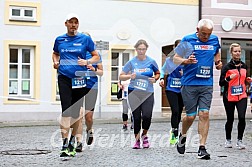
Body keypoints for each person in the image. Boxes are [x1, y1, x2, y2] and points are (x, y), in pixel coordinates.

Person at [173, 19, 223, 160]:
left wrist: (218, 63)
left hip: (206, 83)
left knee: (204, 114)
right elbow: (175, 59)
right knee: (190, 116)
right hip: (189, 83)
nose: (206, 37)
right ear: (197, 30)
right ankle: (182, 135)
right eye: (203, 34)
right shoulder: (187, 39)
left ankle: (202, 147)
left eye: (208, 34)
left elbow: (216, 53)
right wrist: (186, 61)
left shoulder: (214, 40)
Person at [52, 13, 100, 158]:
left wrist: (87, 62)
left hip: (80, 79)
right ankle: (65, 143)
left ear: (78, 25)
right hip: (64, 78)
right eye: (71, 22)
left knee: (75, 114)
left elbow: (96, 56)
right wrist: (55, 62)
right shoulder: (59, 39)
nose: (73, 25)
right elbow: (55, 53)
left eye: (76, 22)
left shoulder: (85, 39)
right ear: (65, 23)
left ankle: (73, 140)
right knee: (66, 111)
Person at [119, 39, 160, 149]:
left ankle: (144, 135)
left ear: (146, 49)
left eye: (143, 49)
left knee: (147, 116)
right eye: (139, 49)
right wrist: (129, 76)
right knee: (136, 117)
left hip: (147, 92)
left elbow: (158, 73)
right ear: (136, 49)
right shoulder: (132, 62)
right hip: (134, 92)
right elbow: (121, 76)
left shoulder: (151, 61)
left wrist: (155, 79)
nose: (141, 51)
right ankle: (137, 140)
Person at [74, 32, 103, 152]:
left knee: (88, 117)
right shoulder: (75, 53)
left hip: (92, 87)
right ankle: (79, 142)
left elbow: (101, 72)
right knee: (79, 116)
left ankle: (89, 130)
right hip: (78, 86)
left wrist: (94, 69)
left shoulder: (95, 55)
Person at [219, 43, 252, 149]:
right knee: (230, 119)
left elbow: (245, 80)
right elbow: (221, 83)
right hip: (229, 96)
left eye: (239, 51)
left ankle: (240, 140)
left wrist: (247, 81)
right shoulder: (226, 67)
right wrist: (229, 78)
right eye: (235, 51)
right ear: (231, 53)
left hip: (241, 95)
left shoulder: (244, 66)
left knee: (242, 117)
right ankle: (228, 140)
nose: (237, 53)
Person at [159, 39, 184, 145]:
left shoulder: (186, 60)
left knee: (179, 111)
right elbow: (163, 70)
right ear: (175, 48)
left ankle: (175, 128)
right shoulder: (170, 60)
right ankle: (174, 133)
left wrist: (185, 74)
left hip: (183, 89)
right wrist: (161, 78)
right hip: (171, 88)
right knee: (175, 111)